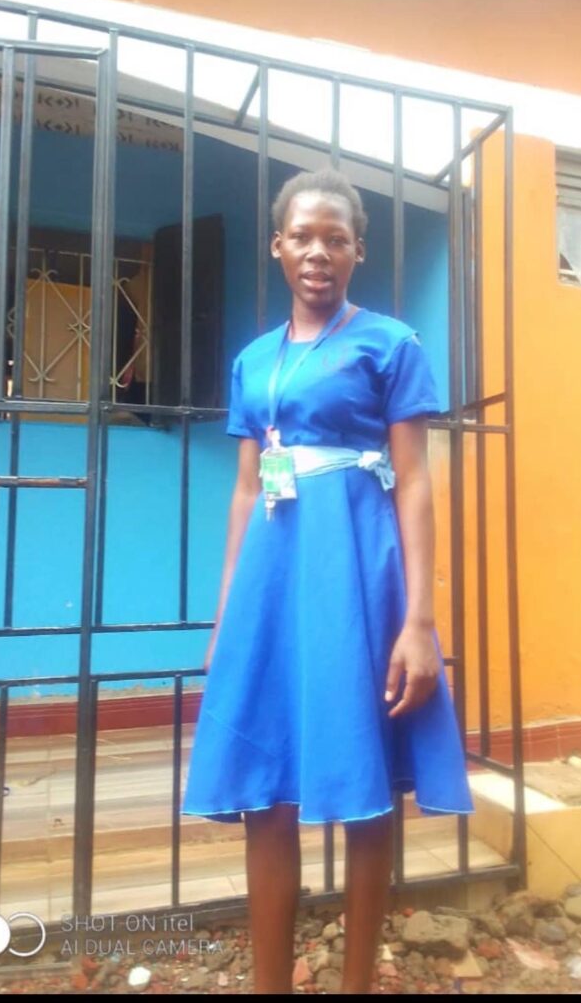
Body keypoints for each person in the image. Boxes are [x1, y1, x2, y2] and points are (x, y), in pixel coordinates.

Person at [182, 167, 473, 994]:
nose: (318, 252)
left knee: (363, 779)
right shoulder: (253, 361)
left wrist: (419, 621)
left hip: (356, 570)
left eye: (335, 239)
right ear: (277, 247)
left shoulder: (390, 342)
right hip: (273, 584)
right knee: (267, 791)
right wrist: (227, 613)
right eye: (302, 236)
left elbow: (414, 479)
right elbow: (247, 487)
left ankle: (354, 986)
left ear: (357, 252)